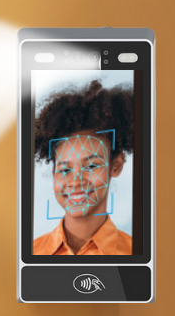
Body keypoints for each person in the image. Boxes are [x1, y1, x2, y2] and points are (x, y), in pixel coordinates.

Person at [32, 80, 133, 256]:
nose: (76, 182)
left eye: (91, 166)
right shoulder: (31, 253)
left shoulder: (134, 253)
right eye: (64, 170)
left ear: (116, 165)